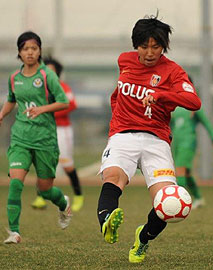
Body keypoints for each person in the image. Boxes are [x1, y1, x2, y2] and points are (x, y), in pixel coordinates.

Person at [96, 14, 201, 263]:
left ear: (164, 46)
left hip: (156, 139)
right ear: (136, 46)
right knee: (114, 177)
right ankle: (107, 221)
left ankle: (142, 238)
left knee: (168, 204)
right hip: (123, 134)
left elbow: (194, 102)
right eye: (144, 46)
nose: (150, 52)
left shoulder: (174, 71)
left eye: (156, 46)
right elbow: (117, 93)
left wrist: (162, 94)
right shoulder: (124, 60)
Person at [0, 31, 72, 244]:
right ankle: (14, 232)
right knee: (15, 182)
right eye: (25, 49)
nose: (29, 52)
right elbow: (12, 99)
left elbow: (64, 102)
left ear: (39, 51)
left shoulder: (47, 75)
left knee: (45, 189)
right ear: (19, 53)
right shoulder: (14, 78)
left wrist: (42, 109)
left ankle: (63, 203)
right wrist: (3, 113)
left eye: (33, 48)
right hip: (21, 137)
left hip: (44, 139)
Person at [31, 57, 84, 212]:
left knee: (67, 164)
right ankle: (41, 196)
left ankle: (78, 196)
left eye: (51, 71)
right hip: (44, 130)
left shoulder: (62, 87)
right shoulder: (38, 89)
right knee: (43, 161)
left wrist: (50, 112)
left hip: (62, 130)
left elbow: (72, 104)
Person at [171, 100, 213, 209]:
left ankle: (178, 203)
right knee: (186, 173)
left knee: (180, 169)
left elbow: (206, 122)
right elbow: (169, 124)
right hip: (176, 143)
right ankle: (198, 198)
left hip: (188, 142)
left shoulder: (193, 105)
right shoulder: (174, 106)